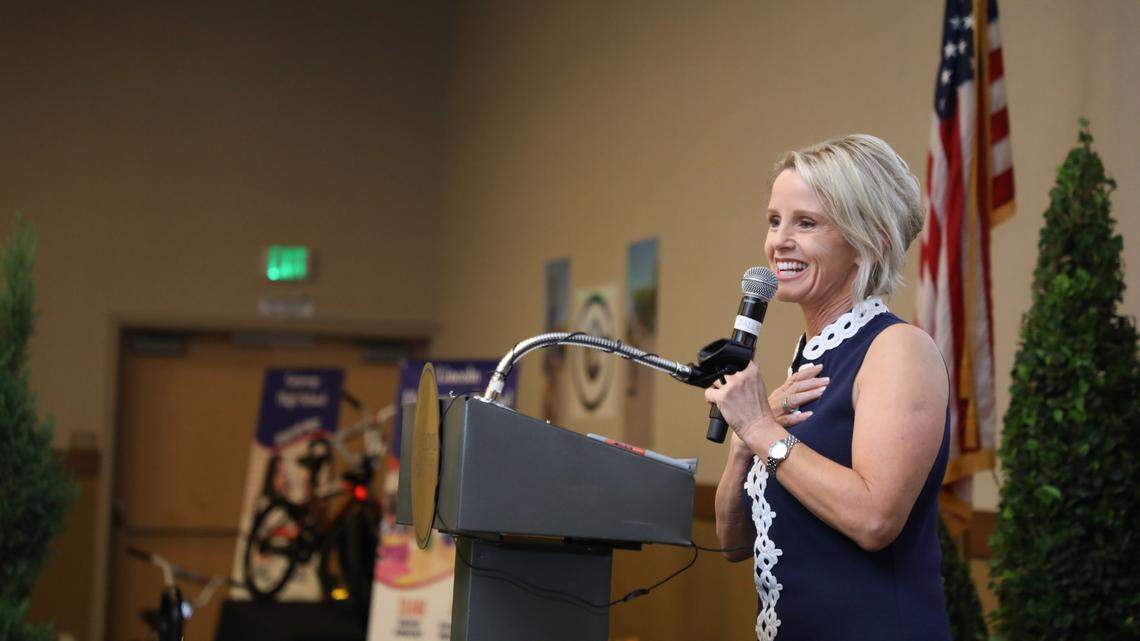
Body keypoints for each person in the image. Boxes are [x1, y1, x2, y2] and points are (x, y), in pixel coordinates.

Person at [707, 134, 952, 641]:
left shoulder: (898, 349)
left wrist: (761, 429)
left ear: (872, 239)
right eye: (774, 221)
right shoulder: (810, 360)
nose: (780, 242)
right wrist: (743, 443)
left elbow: (875, 519)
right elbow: (732, 543)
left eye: (807, 223)